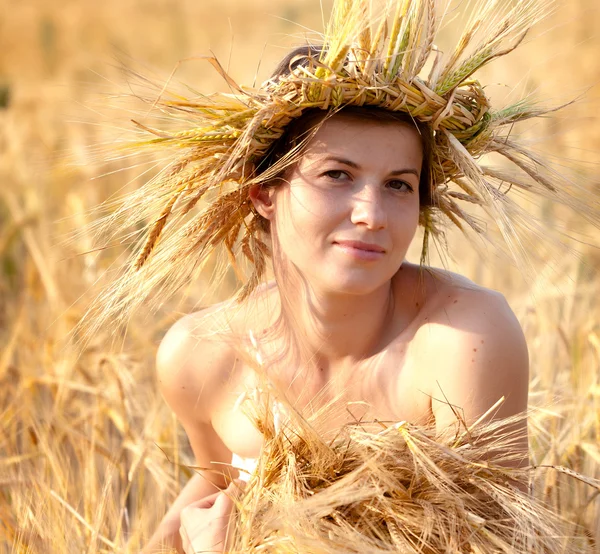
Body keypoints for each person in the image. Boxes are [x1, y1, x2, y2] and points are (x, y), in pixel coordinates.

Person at [93, 1, 591, 551]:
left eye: (399, 184)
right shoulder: (202, 357)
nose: (371, 214)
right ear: (263, 193)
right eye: (337, 174)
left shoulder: (461, 340)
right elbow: (218, 482)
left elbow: (499, 542)